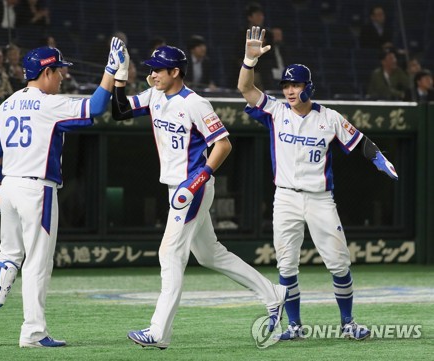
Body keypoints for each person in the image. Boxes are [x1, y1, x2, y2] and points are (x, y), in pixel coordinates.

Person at [111, 44, 287, 349]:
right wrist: (120, 76)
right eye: (150, 69)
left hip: (192, 187)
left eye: (157, 70)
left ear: (175, 72)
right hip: (177, 187)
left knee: (170, 254)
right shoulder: (154, 94)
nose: (152, 74)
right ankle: (273, 294)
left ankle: (158, 332)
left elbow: (223, 145)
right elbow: (119, 111)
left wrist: (197, 181)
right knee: (209, 254)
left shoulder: (195, 103)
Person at [237, 27, 398, 341]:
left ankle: (348, 323)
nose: (290, 90)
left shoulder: (330, 117)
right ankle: (295, 327)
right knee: (286, 266)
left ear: (308, 86)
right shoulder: (275, 112)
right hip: (285, 198)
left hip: (320, 199)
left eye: (296, 84)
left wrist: (380, 159)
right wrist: (249, 60)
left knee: (338, 263)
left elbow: (361, 141)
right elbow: (245, 88)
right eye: (286, 85)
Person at [0, 37, 127, 347]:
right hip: (36, 188)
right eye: (58, 71)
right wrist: (110, 69)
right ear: (45, 73)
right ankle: (33, 333)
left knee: (8, 257)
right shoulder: (48, 103)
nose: (62, 76)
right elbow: (95, 107)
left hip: (11, 186)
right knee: (38, 261)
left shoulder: (5, 105)